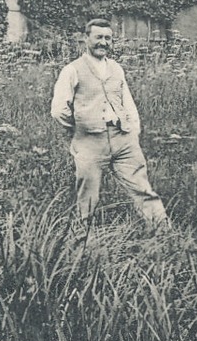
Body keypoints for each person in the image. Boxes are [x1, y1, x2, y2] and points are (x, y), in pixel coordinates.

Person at [50, 18, 169, 225]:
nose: (103, 43)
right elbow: (59, 110)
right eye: (98, 37)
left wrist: (133, 131)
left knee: (143, 190)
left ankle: (164, 233)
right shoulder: (72, 70)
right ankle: (84, 242)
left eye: (108, 38)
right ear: (86, 39)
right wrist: (80, 128)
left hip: (123, 140)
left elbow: (128, 102)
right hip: (89, 143)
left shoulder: (116, 68)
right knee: (87, 197)